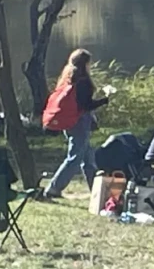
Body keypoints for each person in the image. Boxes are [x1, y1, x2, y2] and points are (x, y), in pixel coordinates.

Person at [44, 49, 111, 199]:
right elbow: (85, 105)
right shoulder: (84, 81)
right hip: (79, 122)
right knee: (74, 158)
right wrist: (104, 100)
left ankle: (96, 190)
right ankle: (53, 189)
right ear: (86, 63)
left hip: (70, 122)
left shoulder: (67, 78)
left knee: (88, 158)